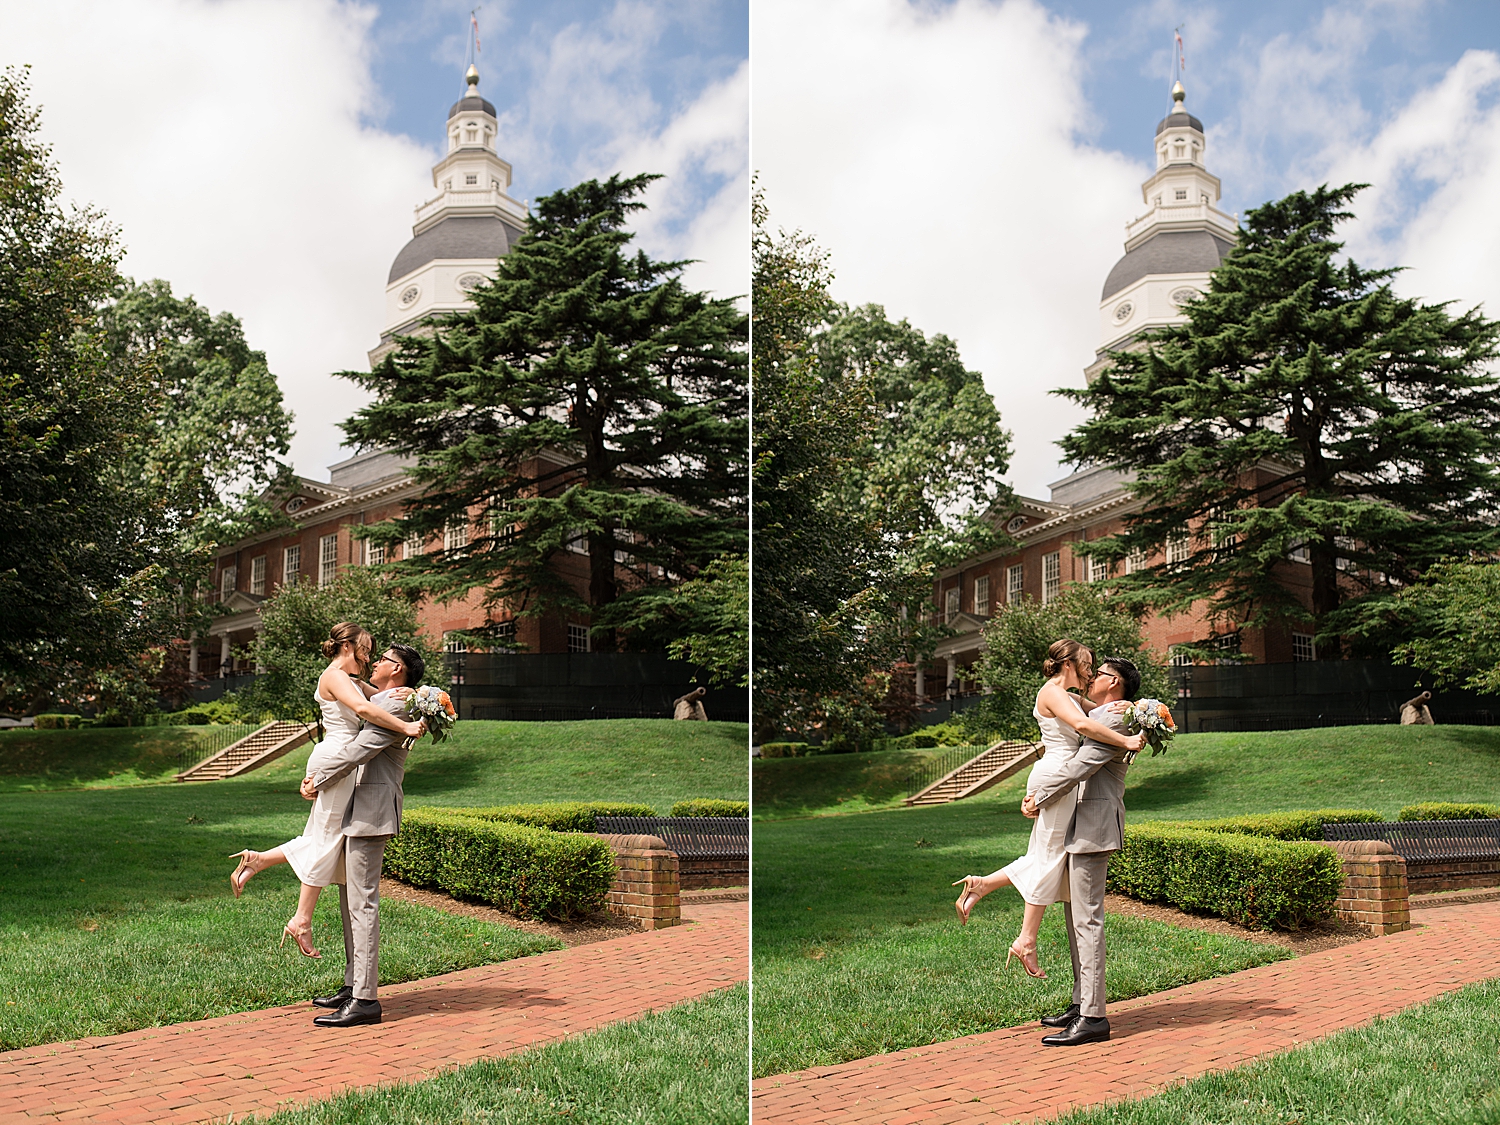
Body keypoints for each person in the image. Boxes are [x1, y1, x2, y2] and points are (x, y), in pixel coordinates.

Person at [228, 623, 423, 958]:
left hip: (337, 758)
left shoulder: (349, 680)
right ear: (347, 647)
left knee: (325, 836)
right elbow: (364, 710)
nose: (368, 657)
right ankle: (300, 919)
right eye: (364, 649)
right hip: (337, 758)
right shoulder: (334, 676)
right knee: (329, 838)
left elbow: (381, 695)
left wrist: (416, 695)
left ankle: (259, 861)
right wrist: (406, 725)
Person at [950, 640, 1143, 977]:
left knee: (1046, 854)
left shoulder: (1066, 695)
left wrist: (1136, 709)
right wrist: (1127, 741)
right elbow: (1084, 727)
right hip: (1057, 775)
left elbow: (1098, 713)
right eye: (1087, 664)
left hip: (1057, 776)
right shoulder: (1053, 692)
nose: (1089, 672)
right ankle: (1025, 939)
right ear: (1069, 663)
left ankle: (984, 887)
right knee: (1051, 856)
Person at [299, 642, 427, 1028]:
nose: (373, 663)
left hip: (371, 813)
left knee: (362, 903)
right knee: (348, 901)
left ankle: (365, 1001)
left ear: (398, 670)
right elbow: (362, 693)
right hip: (355, 809)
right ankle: (353, 985)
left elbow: (360, 749)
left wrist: (316, 780)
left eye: (383, 659)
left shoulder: (398, 706)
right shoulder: (391, 698)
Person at [1024, 655, 1142, 1046]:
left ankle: (1094, 1017)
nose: (1091, 678)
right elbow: (1079, 716)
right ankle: (1080, 1002)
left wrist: (1038, 797)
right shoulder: (1109, 713)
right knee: (1076, 920)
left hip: (1094, 826)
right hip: (1080, 824)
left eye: (1100, 674)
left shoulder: (1116, 720)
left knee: (1087, 921)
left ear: (1114, 683)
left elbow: (1080, 767)